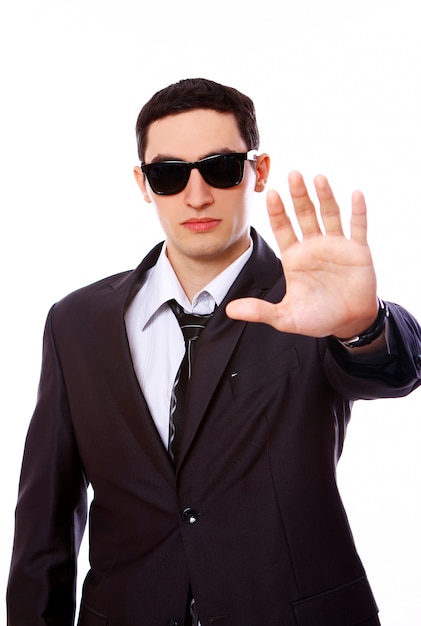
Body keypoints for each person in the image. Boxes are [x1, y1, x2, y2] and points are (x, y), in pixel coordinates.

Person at [7, 77, 421, 626]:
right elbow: (45, 520)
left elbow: (395, 371)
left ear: (258, 170)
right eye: (169, 174)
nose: (196, 196)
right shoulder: (76, 322)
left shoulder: (310, 303)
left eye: (220, 167)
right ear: (143, 183)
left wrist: (363, 326)